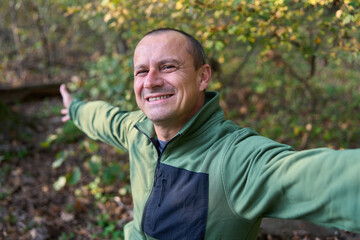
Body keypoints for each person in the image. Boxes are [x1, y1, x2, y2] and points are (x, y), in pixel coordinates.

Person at [60, 28, 360, 240]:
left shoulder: (236, 159)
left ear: (203, 76)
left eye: (167, 67)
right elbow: (104, 119)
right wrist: (75, 108)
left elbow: (329, 179)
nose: (150, 81)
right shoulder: (137, 129)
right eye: (141, 71)